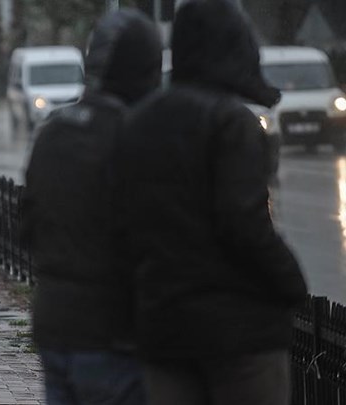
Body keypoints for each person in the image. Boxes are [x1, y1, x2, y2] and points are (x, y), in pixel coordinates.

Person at [114, 1, 308, 404]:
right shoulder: (230, 122)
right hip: (238, 332)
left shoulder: (138, 121)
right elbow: (244, 223)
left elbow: (119, 223)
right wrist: (290, 281)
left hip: (163, 326)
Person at [20, 9, 161, 405]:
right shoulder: (138, 135)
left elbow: (27, 227)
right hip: (115, 336)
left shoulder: (54, 132)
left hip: (56, 326)